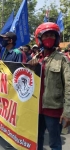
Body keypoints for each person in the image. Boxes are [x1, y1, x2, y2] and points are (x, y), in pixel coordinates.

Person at [28, 22, 70, 150]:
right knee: (36, 140)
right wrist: (30, 67)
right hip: (36, 110)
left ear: (57, 38)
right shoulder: (36, 58)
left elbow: (69, 86)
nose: (49, 38)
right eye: (46, 35)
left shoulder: (62, 59)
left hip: (54, 110)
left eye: (52, 35)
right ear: (39, 39)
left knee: (55, 144)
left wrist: (67, 111)